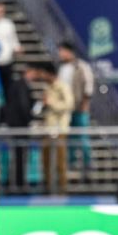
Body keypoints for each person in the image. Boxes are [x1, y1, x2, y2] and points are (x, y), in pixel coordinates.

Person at [58, 41, 94, 177]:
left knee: (83, 136)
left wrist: (85, 103)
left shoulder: (82, 66)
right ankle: (72, 162)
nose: (60, 54)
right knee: (70, 137)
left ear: (69, 51)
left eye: (62, 51)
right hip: (67, 110)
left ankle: (87, 163)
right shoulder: (61, 68)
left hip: (80, 108)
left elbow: (88, 86)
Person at [38, 61, 74, 194]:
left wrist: (51, 103)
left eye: (44, 73)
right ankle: (48, 188)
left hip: (61, 129)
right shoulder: (47, 88)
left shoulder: (63, 87)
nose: (42, 76)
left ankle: (62, 189)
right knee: (45, 159)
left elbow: (69, 105)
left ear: (49, 74)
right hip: (48, 128)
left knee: (60, 160)